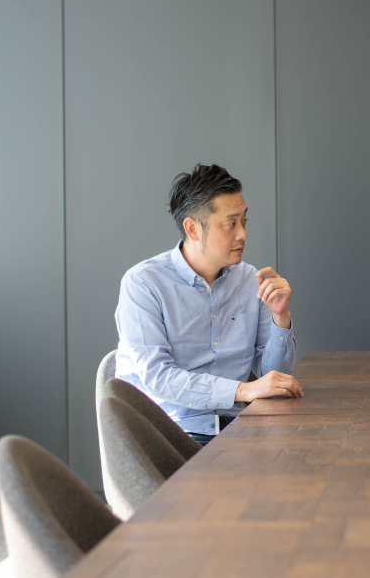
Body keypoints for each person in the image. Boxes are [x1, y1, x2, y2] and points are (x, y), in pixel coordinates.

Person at [115, 164, 302, 446]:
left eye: (244, 221)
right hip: (171, 436)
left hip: (238, 431)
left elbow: (274, 380)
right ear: (193, 229)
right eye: (231, 224)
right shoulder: (143, 284)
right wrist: (243, 390)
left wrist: (281, 317)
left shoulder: (250, 280)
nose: (243, 234)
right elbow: (158, 377)